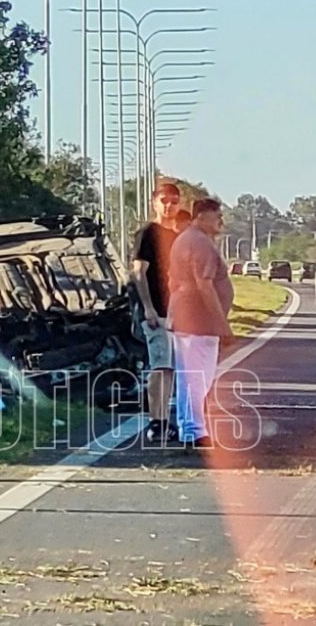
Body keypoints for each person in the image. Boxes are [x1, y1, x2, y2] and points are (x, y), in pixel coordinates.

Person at [167, 198, 234, 448]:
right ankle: (194, 431)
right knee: (197, 379)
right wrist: (221, 325)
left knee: (191, 378)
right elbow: (205, 284)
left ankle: (191, 428)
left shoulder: (187, 239)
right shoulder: (199, 243)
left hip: (189, 319)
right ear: (202, 216)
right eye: (217, 215)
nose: (220, 221)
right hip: (197, 321)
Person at [130, 183, 183, 443]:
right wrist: (148, 307)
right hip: (156, 312)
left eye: (174, 201)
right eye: (164, 200)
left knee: (169, 369)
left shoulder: (174, 236)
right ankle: (155, 422)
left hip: (174, 312)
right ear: (154, 202)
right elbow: (139, 272)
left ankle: (165, 418)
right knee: (159, 365)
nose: (169, 205)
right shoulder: (148, 233)